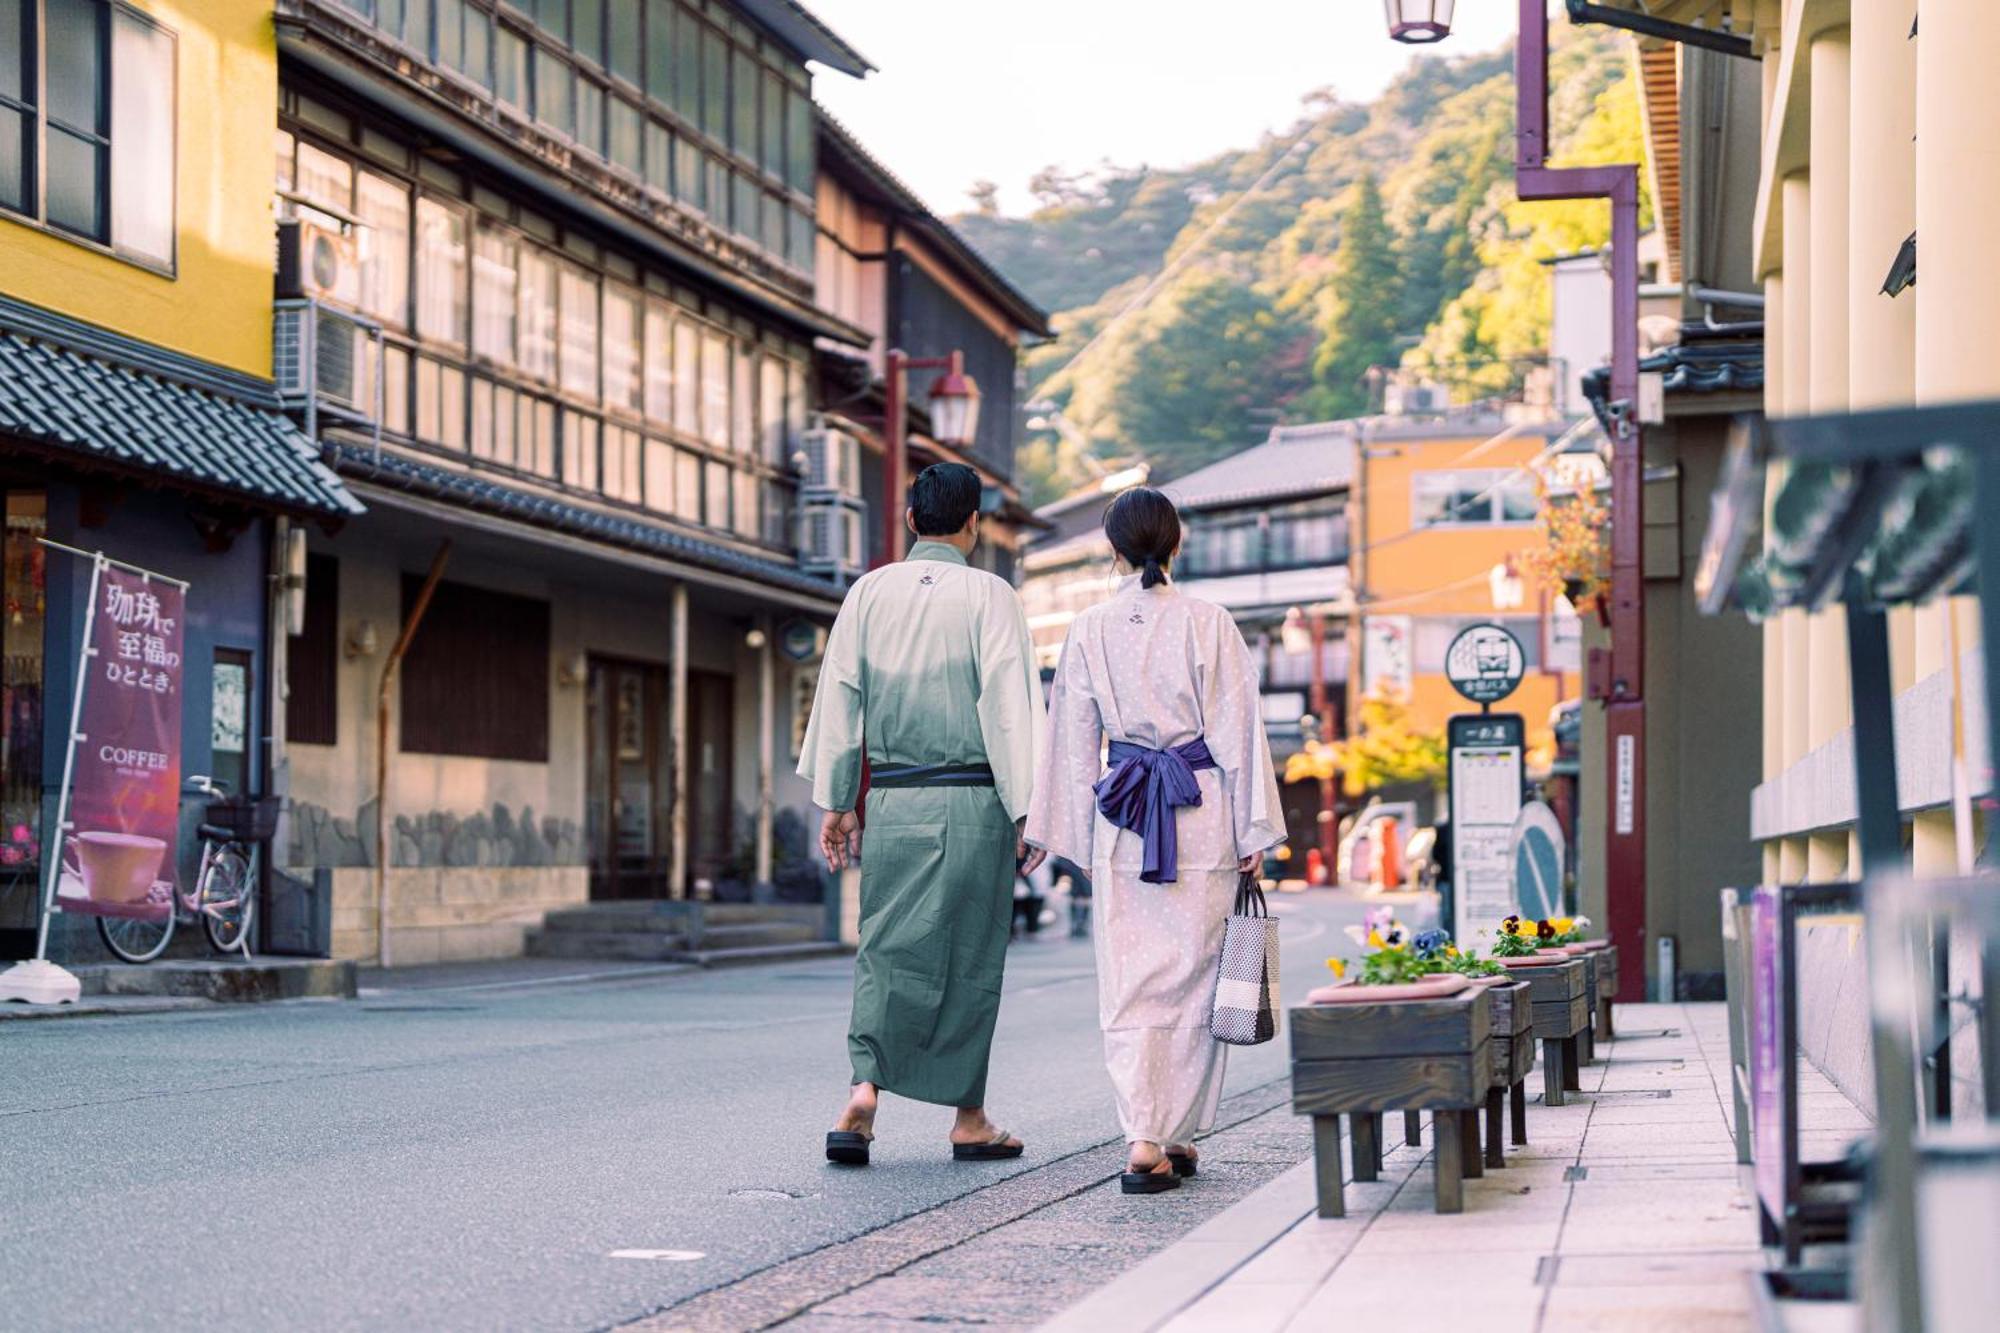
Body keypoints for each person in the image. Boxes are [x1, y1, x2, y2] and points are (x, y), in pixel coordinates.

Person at [1024, 486, 1284, 1195]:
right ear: (1177, 544)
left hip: (1126, 814)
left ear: (1111, 550)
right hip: (1200, 810)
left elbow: (1074, 739)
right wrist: (1252, 827)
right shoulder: (1210, 621)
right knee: (1197, 978)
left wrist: (1057, 830)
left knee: (1131, 983)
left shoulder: (1089, 628)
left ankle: (1148, 1133)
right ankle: (1173, 1132)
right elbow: (1237, 728)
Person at [799, 462, 1047, 1168]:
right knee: (969, 952)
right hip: (973, 798)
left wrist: (841, 801)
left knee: (885, 946)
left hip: (896, 797)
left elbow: (842, 698)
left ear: (912, 521)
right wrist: (1026, 809)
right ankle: (968, 1117)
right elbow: (1008, 706)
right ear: (974, 524)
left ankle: (864, 1092)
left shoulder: (868, 592)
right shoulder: (990, 595)